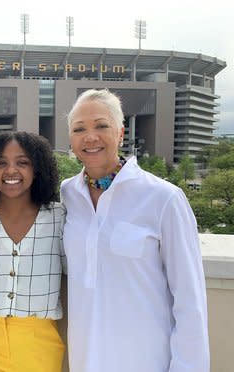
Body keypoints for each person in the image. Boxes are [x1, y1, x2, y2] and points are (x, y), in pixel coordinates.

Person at [61, 89, 209, 372]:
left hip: (147, 359)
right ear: (71, 138)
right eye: (79, 129)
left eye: (101, 126)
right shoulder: (68, 194)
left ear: (120, 133)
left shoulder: (164, 198)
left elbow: (190, 301)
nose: (90, 137)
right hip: (85, 359)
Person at [0, 131, 66, 372]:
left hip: (40, 340)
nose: (10, 171)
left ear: (37, 168)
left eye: (23, 162)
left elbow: (67, 278)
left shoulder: (59, 217)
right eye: (0, 163)